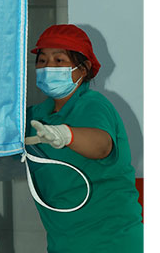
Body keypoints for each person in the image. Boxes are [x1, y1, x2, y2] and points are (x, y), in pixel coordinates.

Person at [26, 24, 142, 253]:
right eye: (42, 60)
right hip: (64, 242)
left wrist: (66, 135)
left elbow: (102, 146)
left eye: (59, 60)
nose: (48, 67)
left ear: (84, 68)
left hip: (112, 241)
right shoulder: (35, 116)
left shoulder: (93, 104)